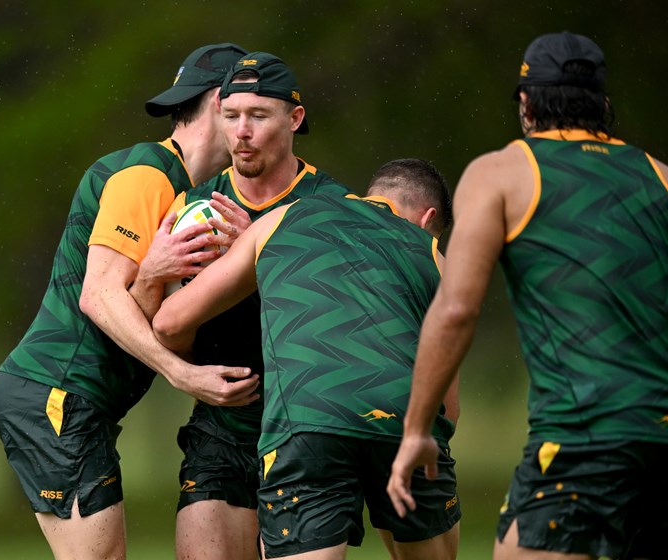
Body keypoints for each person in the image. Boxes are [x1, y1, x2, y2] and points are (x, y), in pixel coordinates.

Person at [387, 31, 668, 560]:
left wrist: (416, 429)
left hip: (584, 438)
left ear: (526, 104)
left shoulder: (501, 172)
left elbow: (456, 310)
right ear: (604, 105)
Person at [0, 43, 259, 560]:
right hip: (55, 393)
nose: (253, 127)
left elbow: (140, 306)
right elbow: (99, 296)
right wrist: (184, 377)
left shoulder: (189, 191)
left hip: (75, 402)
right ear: (220, 102)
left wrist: (155, 276)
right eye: (247, 107)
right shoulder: (148, 173)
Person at [153, 158, 460, 559]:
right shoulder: (433, 256)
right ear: (427, 219)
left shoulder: (282, 219)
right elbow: (448, 410)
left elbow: (169, 323)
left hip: (307, 418)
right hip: (404, 419)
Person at [133, 51, 353, 560]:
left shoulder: (333, 207)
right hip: (223, 428)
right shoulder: (193, 208)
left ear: (295, 119)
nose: (242, 132)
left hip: (307, 433)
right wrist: (157, 275)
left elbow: (341, 327)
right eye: (231, 116)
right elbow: (168, 333)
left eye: (258, 116)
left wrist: (255, 252)